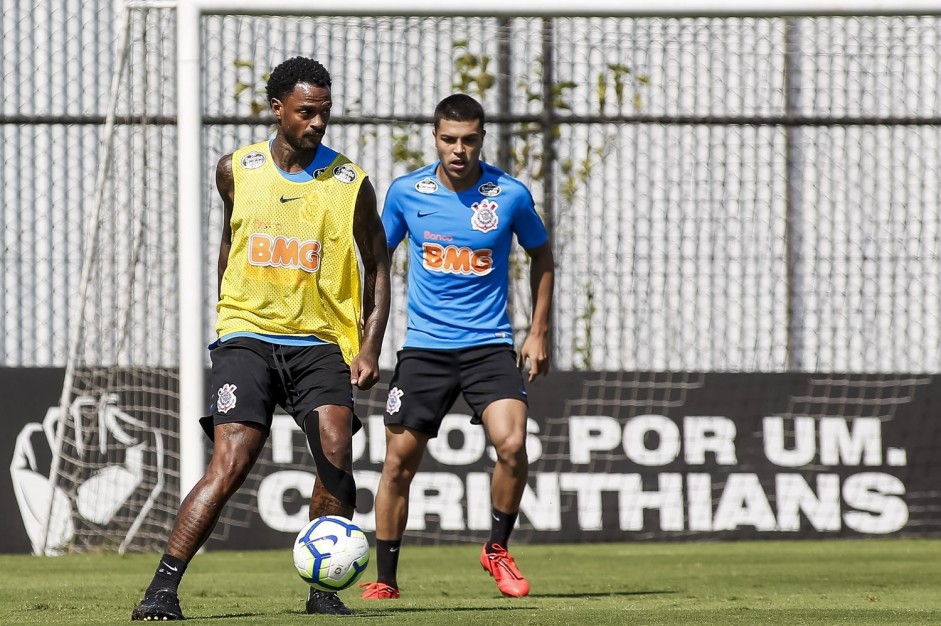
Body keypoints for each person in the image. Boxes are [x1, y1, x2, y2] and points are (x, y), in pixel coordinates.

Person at [131, 56, 390, 620]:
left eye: (324, 112)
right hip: (246, 336)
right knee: (232, 460)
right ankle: (161, 590)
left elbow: (379, 265)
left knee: (336, 451)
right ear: (278, 110)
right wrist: (230, 318)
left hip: (320, 341)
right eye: (306, 112)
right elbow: (230, 243)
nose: (318, 123)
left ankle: (322, 590)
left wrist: (370, 345)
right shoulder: (235, 169)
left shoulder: (351, 184)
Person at [358, 94, 554, 601]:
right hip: (424, 348)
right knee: (398, 463)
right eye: (449, 139)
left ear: (482, 138)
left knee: (512, 445)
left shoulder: (508, 195)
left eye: (469, 140)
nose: (459, 150)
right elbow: (376, 262)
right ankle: (386, 579)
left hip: (489, 347)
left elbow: (542, 256)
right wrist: (364, 339)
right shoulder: (406, 192)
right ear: (435, 138)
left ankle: (496, 548)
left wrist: (537, 332)